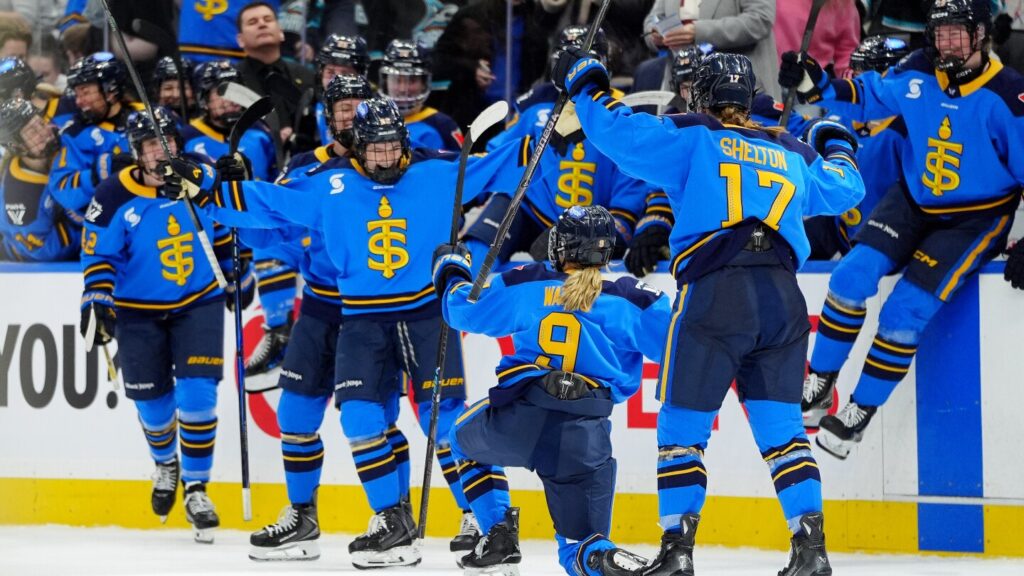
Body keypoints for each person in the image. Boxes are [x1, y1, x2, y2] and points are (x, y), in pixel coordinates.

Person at [162, 95, 534, 569]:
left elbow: (513, 161)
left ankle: (494, 525)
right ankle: (392, 522)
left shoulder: (440, 171)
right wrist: (207, 186)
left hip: (426, 315)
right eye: (374, 148)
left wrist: (552, 129)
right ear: (356, 146)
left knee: (446, 423)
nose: (385, 157)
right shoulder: (327, 184)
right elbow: (265, 204)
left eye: (392, 146)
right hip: (360, 320)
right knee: (358, 419)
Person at [552, 47, 864, 575]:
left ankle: (677, 551)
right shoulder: (788, 149)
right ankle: (810, 551)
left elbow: (618, 134)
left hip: (717, 293)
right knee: (785, 433)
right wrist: (836, 142)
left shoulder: (694, 134)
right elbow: (847, 187)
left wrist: (587, 83)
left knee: (682, 430)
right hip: (783, 300)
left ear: (702, 95)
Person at [779, 0, 1024, 459]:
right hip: (912, 201)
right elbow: (867, 95)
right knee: (849, 276)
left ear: (981, 34)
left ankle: (859, 411)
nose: (947, 43)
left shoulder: (1010, 96)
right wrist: (817, 83)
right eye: (940, 33)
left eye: (957, 33)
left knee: (904, 310)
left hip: (976, 217)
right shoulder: (917, 70)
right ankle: (820, 382)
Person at [434, 205, 672, 576]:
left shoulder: (528, 281)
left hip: (518, 419)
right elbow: (682, 346)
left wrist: (451, 268)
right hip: (584, 434)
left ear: (561, 245)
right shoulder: (633, 298)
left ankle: (498, 535)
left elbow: (460, 310)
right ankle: (613, 563)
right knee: (583, 548)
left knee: (461, 439)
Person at [78, 107, 250, 544]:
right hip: (137, 309)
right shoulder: (113, 194)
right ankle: (165, 463)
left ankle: (196, 488)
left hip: (199, 301)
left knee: (198, 396)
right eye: (151, 144)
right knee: (153, 405)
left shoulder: (200, 174)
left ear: (178, 143)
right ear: (136, 152)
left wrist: (238, 271)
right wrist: (97, 297)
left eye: (166, 141)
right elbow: (99, 254)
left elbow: (228, 223)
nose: (160, 151)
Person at [183, 59, 294, 380]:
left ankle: (280, 328)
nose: (229, 100)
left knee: (273, 241)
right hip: (208, 236)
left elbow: (275, 187)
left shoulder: (259, 134)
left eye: (234, 92)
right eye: (219, 94)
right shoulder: (188, 136)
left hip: (250, 231)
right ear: (204, 99)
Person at [803, 35, 910, 262]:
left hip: (890, 232)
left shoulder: (908, 130)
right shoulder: (838, 116)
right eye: (856, 72)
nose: (856, 81)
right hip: (837, 225)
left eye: (866, 75)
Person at [48, 52, 141, 222]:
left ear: (110, 90)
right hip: (110, 223)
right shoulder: (74, 134)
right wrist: (96, 174)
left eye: (85, 92)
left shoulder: (148, 114)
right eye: (77, 94)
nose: (78, 101)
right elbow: (61, 188)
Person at [0, 98, 78, 262]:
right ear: (17, 146)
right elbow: (44, 251)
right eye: (33, 132)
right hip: (21, 263)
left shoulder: (55, 142)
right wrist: (81, 223)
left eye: (41, 124)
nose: (44, 133)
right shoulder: (20, 195)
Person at [234, 1, 314, 156]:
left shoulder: (306, 75)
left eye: (268, 19)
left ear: (281, 32)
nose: (262, 24)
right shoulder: (232, 80)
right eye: (253, 22)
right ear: (240, 40)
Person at [379, 39, 463, 152]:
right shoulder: (369, 119)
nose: (403, 89)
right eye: (396, 80)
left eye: (411, 80)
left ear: (424, 83)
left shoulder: (444, 125)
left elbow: (461, 161)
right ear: (386, 81)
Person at [312, 34, 369, 146]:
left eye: (346, 74)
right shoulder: (309, 105)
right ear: (321, 73)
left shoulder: (374, 111)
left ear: (361, 76)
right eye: (330, 72)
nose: (336, 81)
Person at [151, 56, 197, 123]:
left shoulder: (207, 125)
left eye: (183, 88)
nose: (176, 95)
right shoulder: (148, 122)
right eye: (168, 88)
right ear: (157, 91)